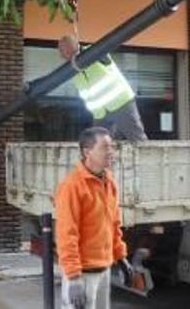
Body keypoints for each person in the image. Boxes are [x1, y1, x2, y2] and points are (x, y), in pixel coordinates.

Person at [54, 127, 134, 309]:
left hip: (104, 270)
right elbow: (66, 235)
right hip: (82, 274)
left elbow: (113, 224)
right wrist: (74, 278)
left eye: (111, 147)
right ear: (87, 151)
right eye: (105, 147)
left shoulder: (108, 181)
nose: (111, 152)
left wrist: (121, 257)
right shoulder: (72, 187)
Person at [58, 35, 148, 142]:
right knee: (98, 145)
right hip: (100, 113)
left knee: (137, 139)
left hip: (121, 102)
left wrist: (82, 53)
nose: (62, 55)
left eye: (63, 51)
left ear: (72, 47)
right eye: (61, 51)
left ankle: (149, 158)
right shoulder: (70, 68)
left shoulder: (94, 52)